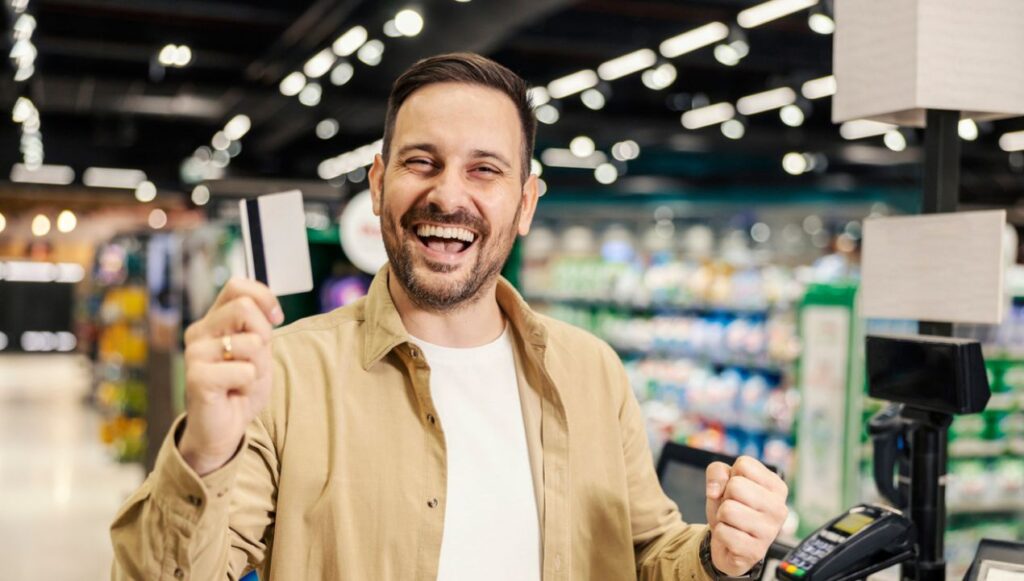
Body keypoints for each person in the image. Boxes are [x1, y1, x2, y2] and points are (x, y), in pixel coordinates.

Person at [110, 52, 788, 581]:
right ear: (378, 186)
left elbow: (648, 553)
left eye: (484, 170)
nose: (447, 194)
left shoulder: (591, 372)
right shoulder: (285, 374)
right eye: (421, 161)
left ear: (525, 204)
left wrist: (719, 554)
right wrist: (204, 451)